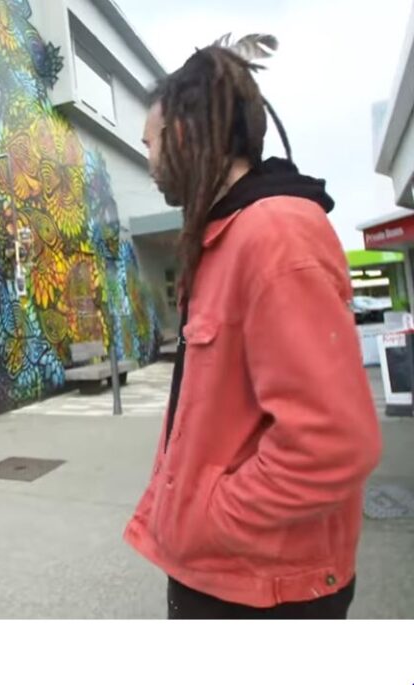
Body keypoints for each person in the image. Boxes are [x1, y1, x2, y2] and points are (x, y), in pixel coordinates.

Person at [124, 36, 382, 619]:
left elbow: (332, 443)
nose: (148, 161)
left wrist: (209, 517)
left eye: (150, 142)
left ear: (182, 135)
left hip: (262, 593)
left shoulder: (274, 236)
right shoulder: (224, 239)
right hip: (222, 577)